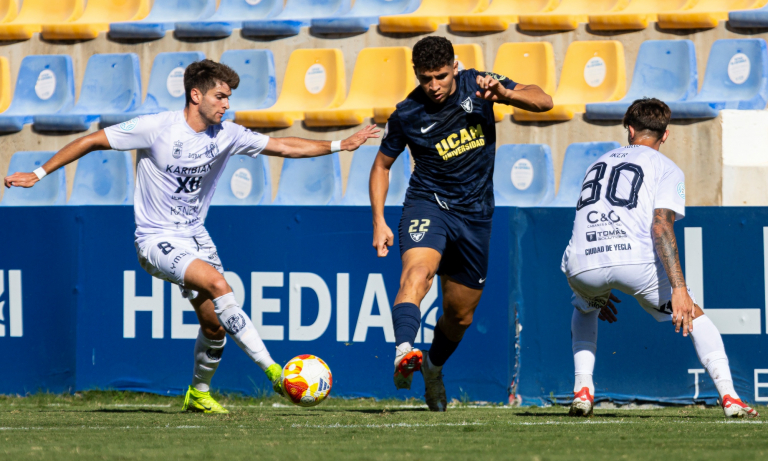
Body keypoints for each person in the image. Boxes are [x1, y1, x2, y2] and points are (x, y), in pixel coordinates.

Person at [4, 59, 379, 414]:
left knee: (214, 324)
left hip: (196, 237)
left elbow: (283, 146)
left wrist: (338, 145)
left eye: (229, 97)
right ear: (196, 95)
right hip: (155, 239)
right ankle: (274, 372)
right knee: (219, 284)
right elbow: (91, 140)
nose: (227, 104)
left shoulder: (228, 134)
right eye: (221, 96)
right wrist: (38, 173)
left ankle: (198, 394)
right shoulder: (156, 127)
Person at [369, 36, 553, 411]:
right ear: (416, 75)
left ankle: (433, 368)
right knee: (416, 273)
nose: (433, 86)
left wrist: (505, 94)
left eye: (440, 76)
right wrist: (378, 220)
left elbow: (544, 101)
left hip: (475, 216)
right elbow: (381, 166)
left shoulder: (479, 84)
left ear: (455, 66)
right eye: (425, 78)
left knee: (460, 316)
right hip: (428, 204)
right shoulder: (407, 113)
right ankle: (404, 351)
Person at [561, 98, 758, 418]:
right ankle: (731, 398)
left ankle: (583, 389)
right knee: (693, 315)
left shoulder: (597, 162)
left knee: (585, 309)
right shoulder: (667, 168)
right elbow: (661, 226)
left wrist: (592, 289)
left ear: (629, 130)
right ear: (665, 135)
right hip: (634, 261)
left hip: (581, 263)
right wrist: (679, 288)